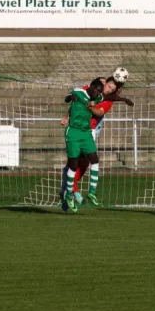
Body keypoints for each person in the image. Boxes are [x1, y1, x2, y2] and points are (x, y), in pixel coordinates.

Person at [60, 76, 134, 206]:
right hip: (74, 130)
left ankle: (85, 191)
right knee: (74, 162)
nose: (109, 89)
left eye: (113, 89)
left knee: (88, 161)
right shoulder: (83, 91)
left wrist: (123, 99)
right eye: (108, 86)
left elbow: (100, 111)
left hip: (89, 131)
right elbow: (72, 99)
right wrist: (68, 111)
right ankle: (69, 191)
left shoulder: (103, 98)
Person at [61, 78, 105, 213]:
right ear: (91, 87)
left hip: (86, 133)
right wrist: (70, 98)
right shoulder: (79, 92)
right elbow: (68, 98)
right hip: (73, 132)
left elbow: (107, 97)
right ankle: (68, 195)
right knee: (73, 164)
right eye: (96, 90)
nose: (97, 94)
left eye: (99, 92)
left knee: (95, 159)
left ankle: (91, 192)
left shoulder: (98, 97)